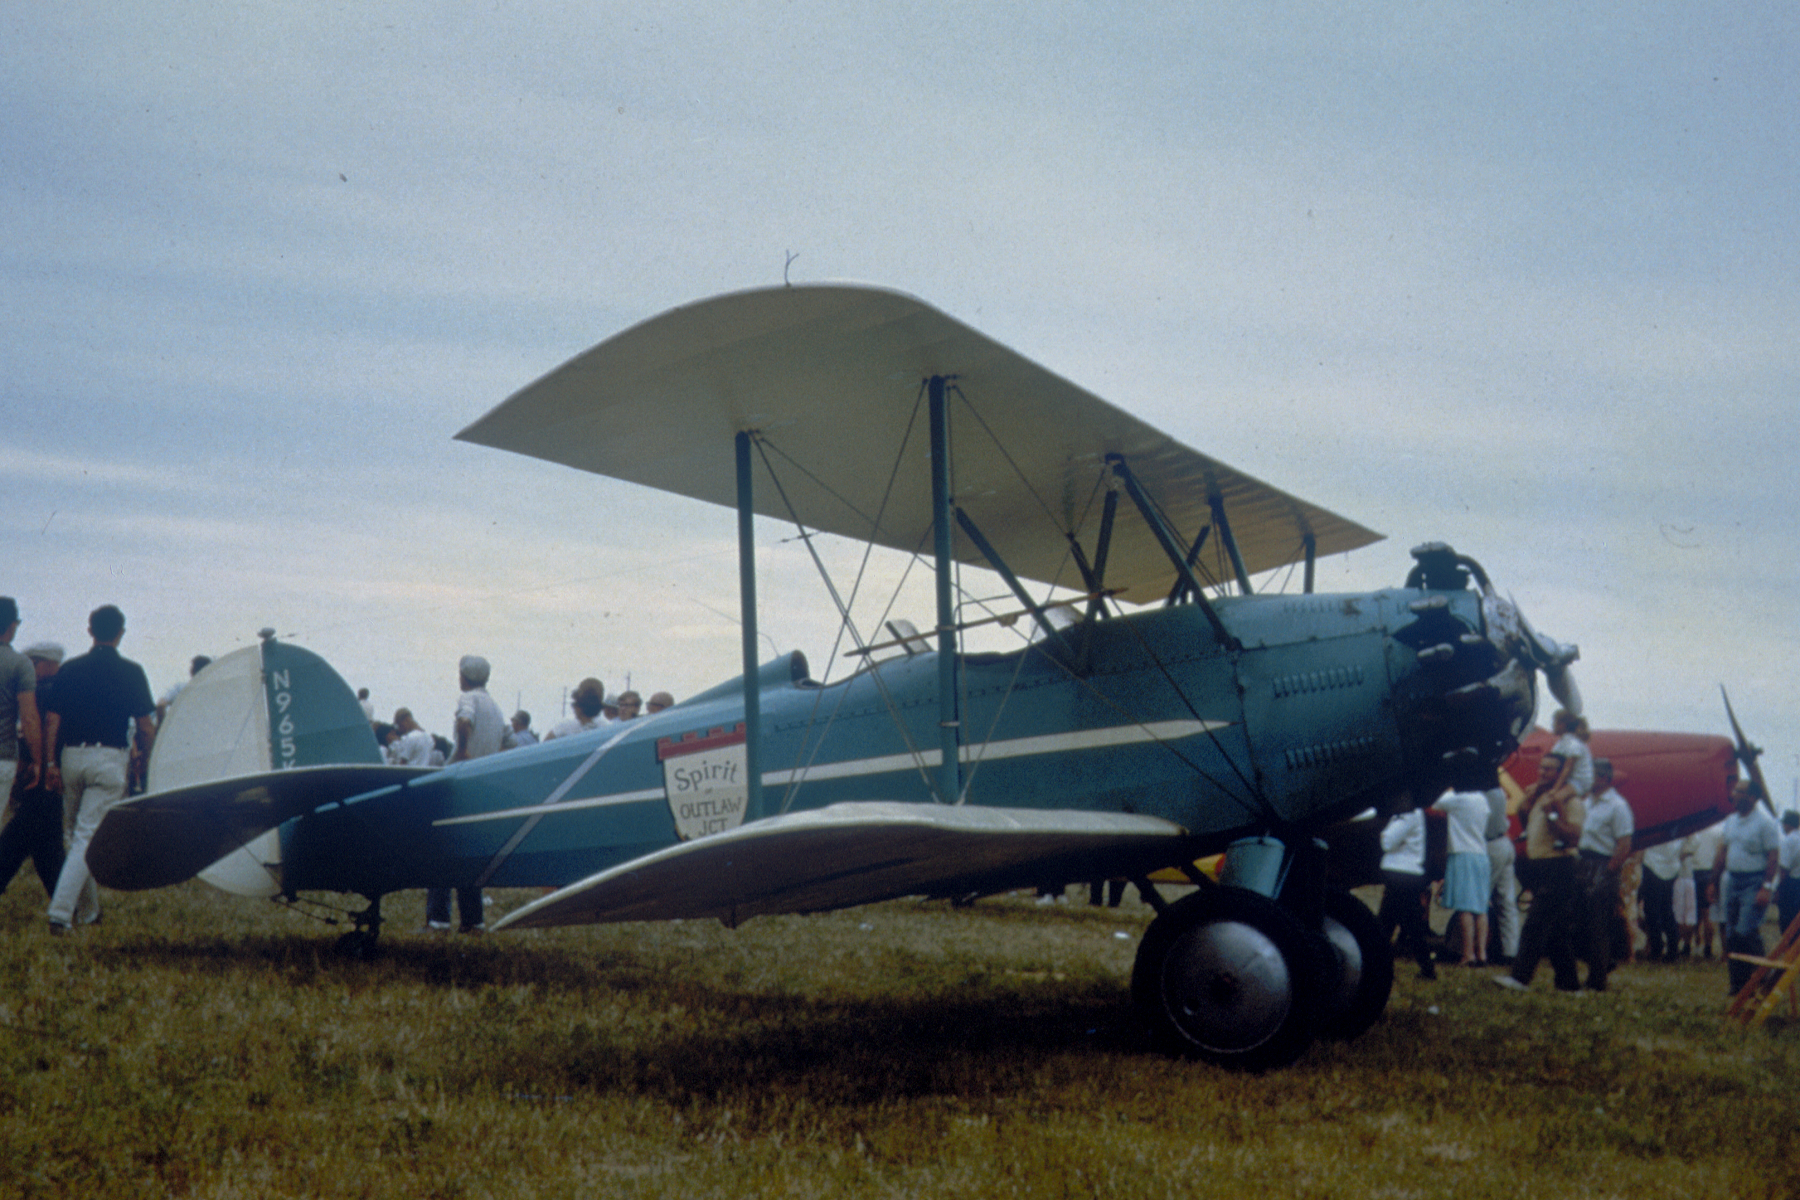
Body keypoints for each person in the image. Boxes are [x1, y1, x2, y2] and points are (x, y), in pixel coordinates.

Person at [43, 605, 156, 934]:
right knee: (86, 836)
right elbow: (145, 726)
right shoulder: (132, 671)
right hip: (109, 758)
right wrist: (145, 758)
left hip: (71, 757)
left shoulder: (69, 669)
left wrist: (50, 762)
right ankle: (60, 913)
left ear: (90, 631)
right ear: (121, 632)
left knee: (74, 836)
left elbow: (53, 720)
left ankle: (89, 912)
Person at [425, 655, 505, 934]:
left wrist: (462, 749)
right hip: (483, 784)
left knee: (442, 851)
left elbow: (464, 721)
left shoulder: (468, 698)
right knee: (469, 853)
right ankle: (473, 920)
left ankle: (438, 918)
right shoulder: (496, 707)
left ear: (464, 676)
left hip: (460, 779)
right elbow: (510, 741)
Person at [1495, 751, 1587, 992]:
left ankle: (1520, 978)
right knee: (1556, 932)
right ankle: (1569, 985)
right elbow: (1531, 827)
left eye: (1549, 769)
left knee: (1535, 924)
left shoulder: (1571, 802)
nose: (1542, 772)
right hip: (1541, 867)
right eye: (1541, 767)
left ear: (1561, 774)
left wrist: (1552, 814)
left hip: (1559, 866)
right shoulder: (1542, 797)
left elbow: (1573, 836)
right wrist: (1527, 803)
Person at [0, 642, 65, 897]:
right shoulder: (61, 690)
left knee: (20, 838)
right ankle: (67, 903)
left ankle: (68, 903)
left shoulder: (42, 692)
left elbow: (36, 729)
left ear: (47, 663)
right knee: (45, 845)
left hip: (40, 775)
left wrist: (31, 761)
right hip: (53, 775)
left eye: (34, 664)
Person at [1709, 781, 1782, 995]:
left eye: (1739, 792)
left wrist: (1766, 887)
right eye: (1734, 791)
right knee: (1731, 934)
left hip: (1754, 882)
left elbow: (1773, 856)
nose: (1733, 794)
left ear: (1752, 798)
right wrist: (1713, 881)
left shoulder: (1765, 823)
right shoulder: (1731, 821)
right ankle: (1738, 985)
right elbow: (1722, 852)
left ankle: (1764, 975)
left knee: (1745, 931)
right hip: (1732, 881)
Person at [1575, 758, 1634, 991]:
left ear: (1603, 778)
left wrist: (1610, 871)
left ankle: (1597, 979)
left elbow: (1624, 843)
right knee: (1581, 921)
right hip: (1583, 862)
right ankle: (1601, 963)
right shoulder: (1586, 802)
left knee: (1599, 924)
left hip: (1602, 863)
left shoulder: (1617, 806)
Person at [1432, 786, 1492, 966]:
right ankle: (1482, 953)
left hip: (1461, 854)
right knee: (1481, 908)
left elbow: (1435, 802)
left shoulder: (1456, 798)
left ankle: (1468, 954)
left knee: (1464, 907)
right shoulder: (1481, 798)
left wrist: (1447, 788)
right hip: (1481, 855)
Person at [1377, 801, 1435, 980]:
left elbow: (1387, 842)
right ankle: (1426, 968)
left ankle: (1377, 964)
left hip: (1401, 875)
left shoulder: (1408, 813)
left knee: (1387, 924)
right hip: (1407, 875)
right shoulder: (1412, 812)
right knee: (1408, 925)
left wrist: (1383, 834)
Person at [1484, 786, 1521, 965]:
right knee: (1507, 902)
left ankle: (1464, 948)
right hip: (1504, 843)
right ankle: (1511, 950)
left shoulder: (1479, 793)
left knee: (1478, 900)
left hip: (1489, 845)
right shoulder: (1498, 791)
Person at [1640, 836, 1682, 963]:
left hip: (1652, 864)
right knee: (1666, 909)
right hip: (1671, 866)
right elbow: (1694, 841)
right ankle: (1671, 949)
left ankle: (1657, 949)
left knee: (1652, 910)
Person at [543, 678, 610, 740]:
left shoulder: (566, 726)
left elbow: (545, 744)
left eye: (575, 703)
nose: (573, 707)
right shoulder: (606, 728)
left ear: (579, 707)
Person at [155, 654, 212, 725]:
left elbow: (160, 705)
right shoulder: (213, 690)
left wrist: (161, 726)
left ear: (192, 671)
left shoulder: (180, 688)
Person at [1776, 810, 1800, 940]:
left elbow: (1784, 869)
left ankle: (1788, 949)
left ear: (1787, 824)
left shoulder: (1788, 841)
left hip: (1791, 885)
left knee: (1787, 923)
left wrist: (1777, 889)